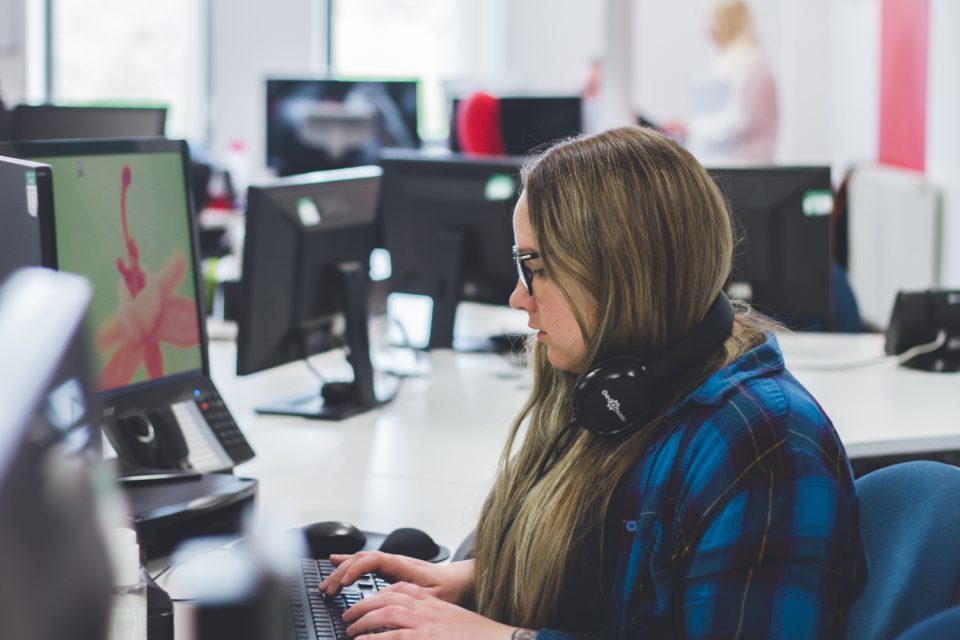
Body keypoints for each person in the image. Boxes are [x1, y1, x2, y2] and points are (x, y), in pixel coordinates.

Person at [319, 126, 866, 638]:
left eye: (533, 265)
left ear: (615, 273)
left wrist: (504, 637)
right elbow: (612, 576)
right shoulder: (616, 387)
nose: (518, 297)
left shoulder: (762, 444)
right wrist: (475, 580)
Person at [665, 0, 778, 164]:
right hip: (717, 162)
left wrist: (690, 129)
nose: (710, 34)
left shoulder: (752, 64)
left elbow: (739, 122)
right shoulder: (729, 62)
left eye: (714, 26)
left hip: (743, 163)